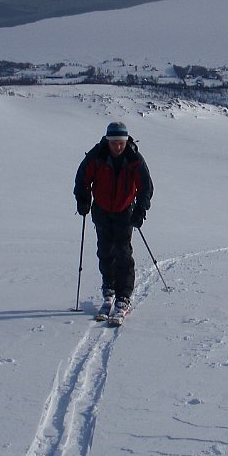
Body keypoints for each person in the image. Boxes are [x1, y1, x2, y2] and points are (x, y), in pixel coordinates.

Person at [74, 121, 153, 319]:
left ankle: (123, 295)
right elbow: (82, 178)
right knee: (105, 251)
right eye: (114, 142)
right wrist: (83, 199)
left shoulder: (134, 158)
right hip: (101, 211)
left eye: (121, 142)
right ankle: (108, 288)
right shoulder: (97, 155)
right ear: (108, 141)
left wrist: (141, 210)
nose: (117, 146)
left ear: (125, 141)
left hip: (125, 211)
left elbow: (146, 187)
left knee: (123, 252)